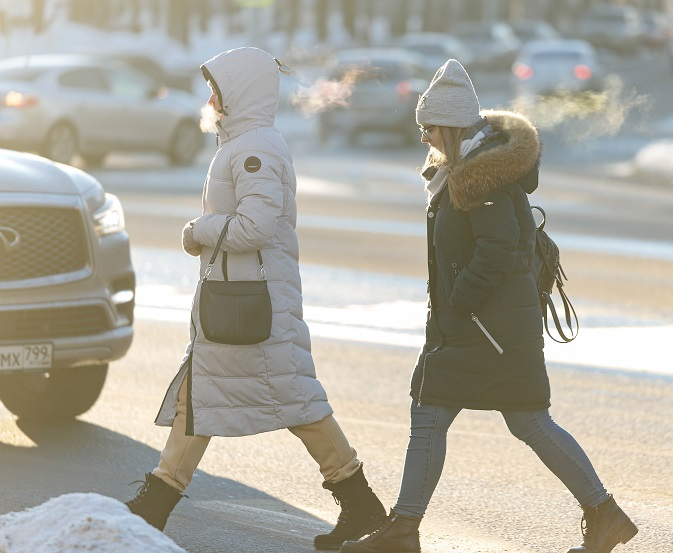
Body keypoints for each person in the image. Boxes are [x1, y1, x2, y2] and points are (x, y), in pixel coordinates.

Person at [340, 59, 638, 553]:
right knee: (469, 415)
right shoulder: (467, 170)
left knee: (495, 416)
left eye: (428, 127)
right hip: (487, 326)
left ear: (454, 127)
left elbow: (498, 247)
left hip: (485, 328)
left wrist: (460, 304)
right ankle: (602, 514)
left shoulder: (484, 178)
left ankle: (405, 529)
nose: (424, 138)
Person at [124, 47, 386, 551]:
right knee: (200, 397)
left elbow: (257, 225)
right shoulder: (246, 144)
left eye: (216, 89)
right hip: (241, 301)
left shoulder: (255, 150)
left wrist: (199, 230)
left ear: (237, 93)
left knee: (296, 401)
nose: (209, 97)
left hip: (254, 306)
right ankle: (154, 505)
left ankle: (361, 505)